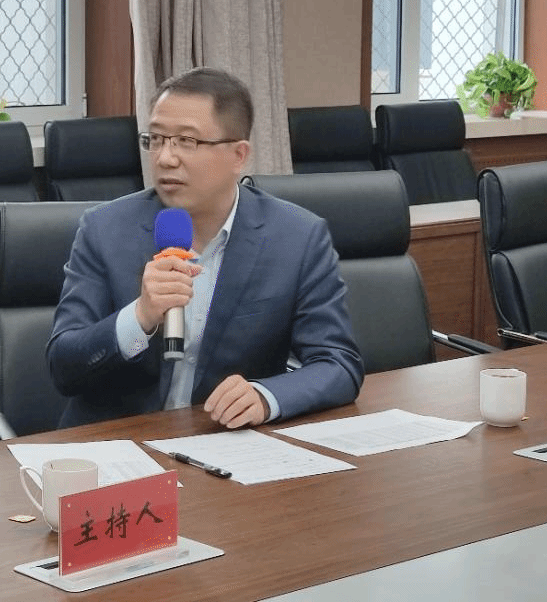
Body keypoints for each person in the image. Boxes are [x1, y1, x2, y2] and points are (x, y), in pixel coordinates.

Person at [47, 67, 364, 429]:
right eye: (156, 139)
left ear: (239, 155)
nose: (165, 158)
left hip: (220, 440)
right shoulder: (105, 229)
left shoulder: (298, 238)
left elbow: (338, 364)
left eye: (187, 141)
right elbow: (64, 368)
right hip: (118, 441)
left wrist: (266, 397)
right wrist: (140, 317)